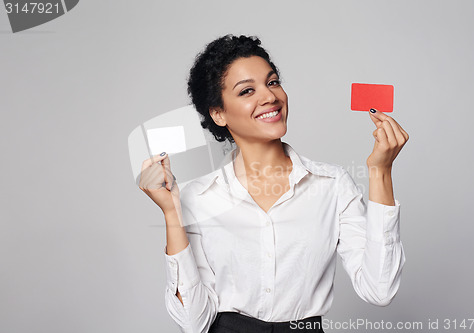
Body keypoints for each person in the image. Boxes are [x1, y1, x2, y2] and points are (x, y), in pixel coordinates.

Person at [138, 34, 409, 333]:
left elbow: (380, 289)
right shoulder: (197, 198)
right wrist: (172, 213)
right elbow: (193, 322)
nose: (269, 97)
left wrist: (380, 171)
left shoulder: (332, 185)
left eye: (273, 82)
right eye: (247, 91)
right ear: (218, 113)